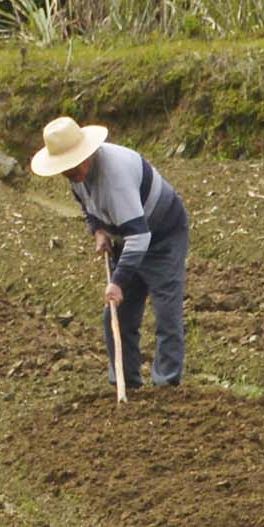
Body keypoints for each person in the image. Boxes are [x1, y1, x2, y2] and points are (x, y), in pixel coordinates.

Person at [29, 114, 192, 390]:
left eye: (74, 165)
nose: (71, 173)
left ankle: (166, 388)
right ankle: (126, 383)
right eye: (65, 169)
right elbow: (87, 205)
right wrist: (98, 230)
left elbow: (140, 235)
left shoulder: (114, 176)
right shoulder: (75, 175)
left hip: (161, 235)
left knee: (166, 312)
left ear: (87, 153)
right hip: (128, 237)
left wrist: (117, 282)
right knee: (117, 315)